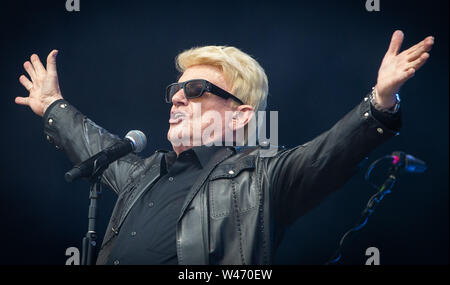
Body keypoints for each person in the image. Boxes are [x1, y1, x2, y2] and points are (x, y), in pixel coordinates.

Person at [15, 30, 434, 265]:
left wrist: (379, 102)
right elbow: (95, 144)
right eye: (176, 89)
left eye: (196, 90)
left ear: (240, 115)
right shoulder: (142, 173)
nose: (177, 98)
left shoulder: (262, 178)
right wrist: (53, 105)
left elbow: (327, 153)